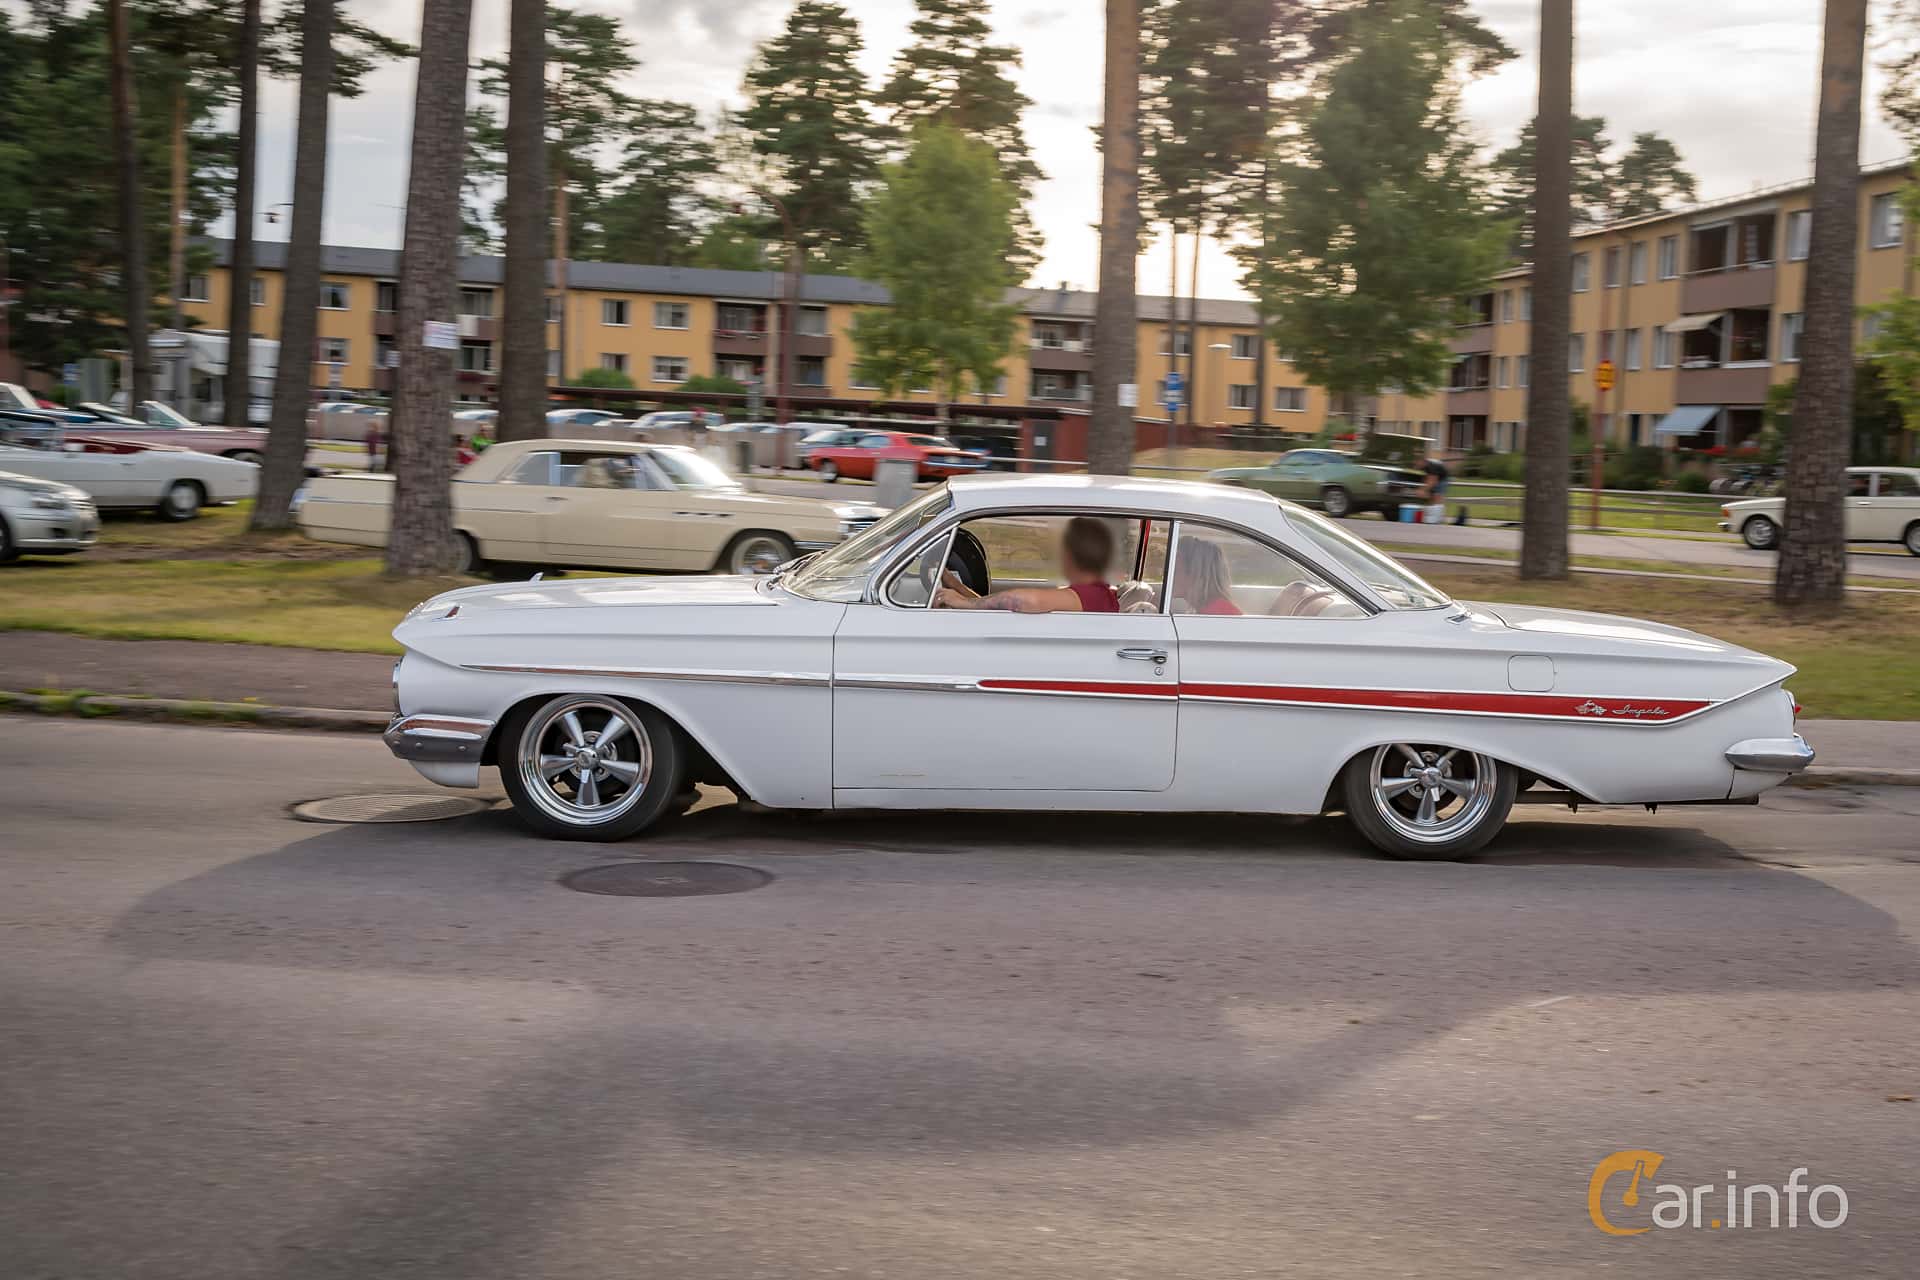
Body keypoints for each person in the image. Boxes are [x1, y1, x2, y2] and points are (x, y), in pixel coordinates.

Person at [934, 517, 1117, 613]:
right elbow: (996, 608)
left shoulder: (1092, 596)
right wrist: (955, 585)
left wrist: (965, 603)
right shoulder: (1097, 594)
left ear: (1069, 554)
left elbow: (1027, 601)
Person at [1171, 537, 1241, 615]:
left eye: (1175, 570)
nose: (1169, 576)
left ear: (1196, 574)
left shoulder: (1218, 613)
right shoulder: (1208, 609)